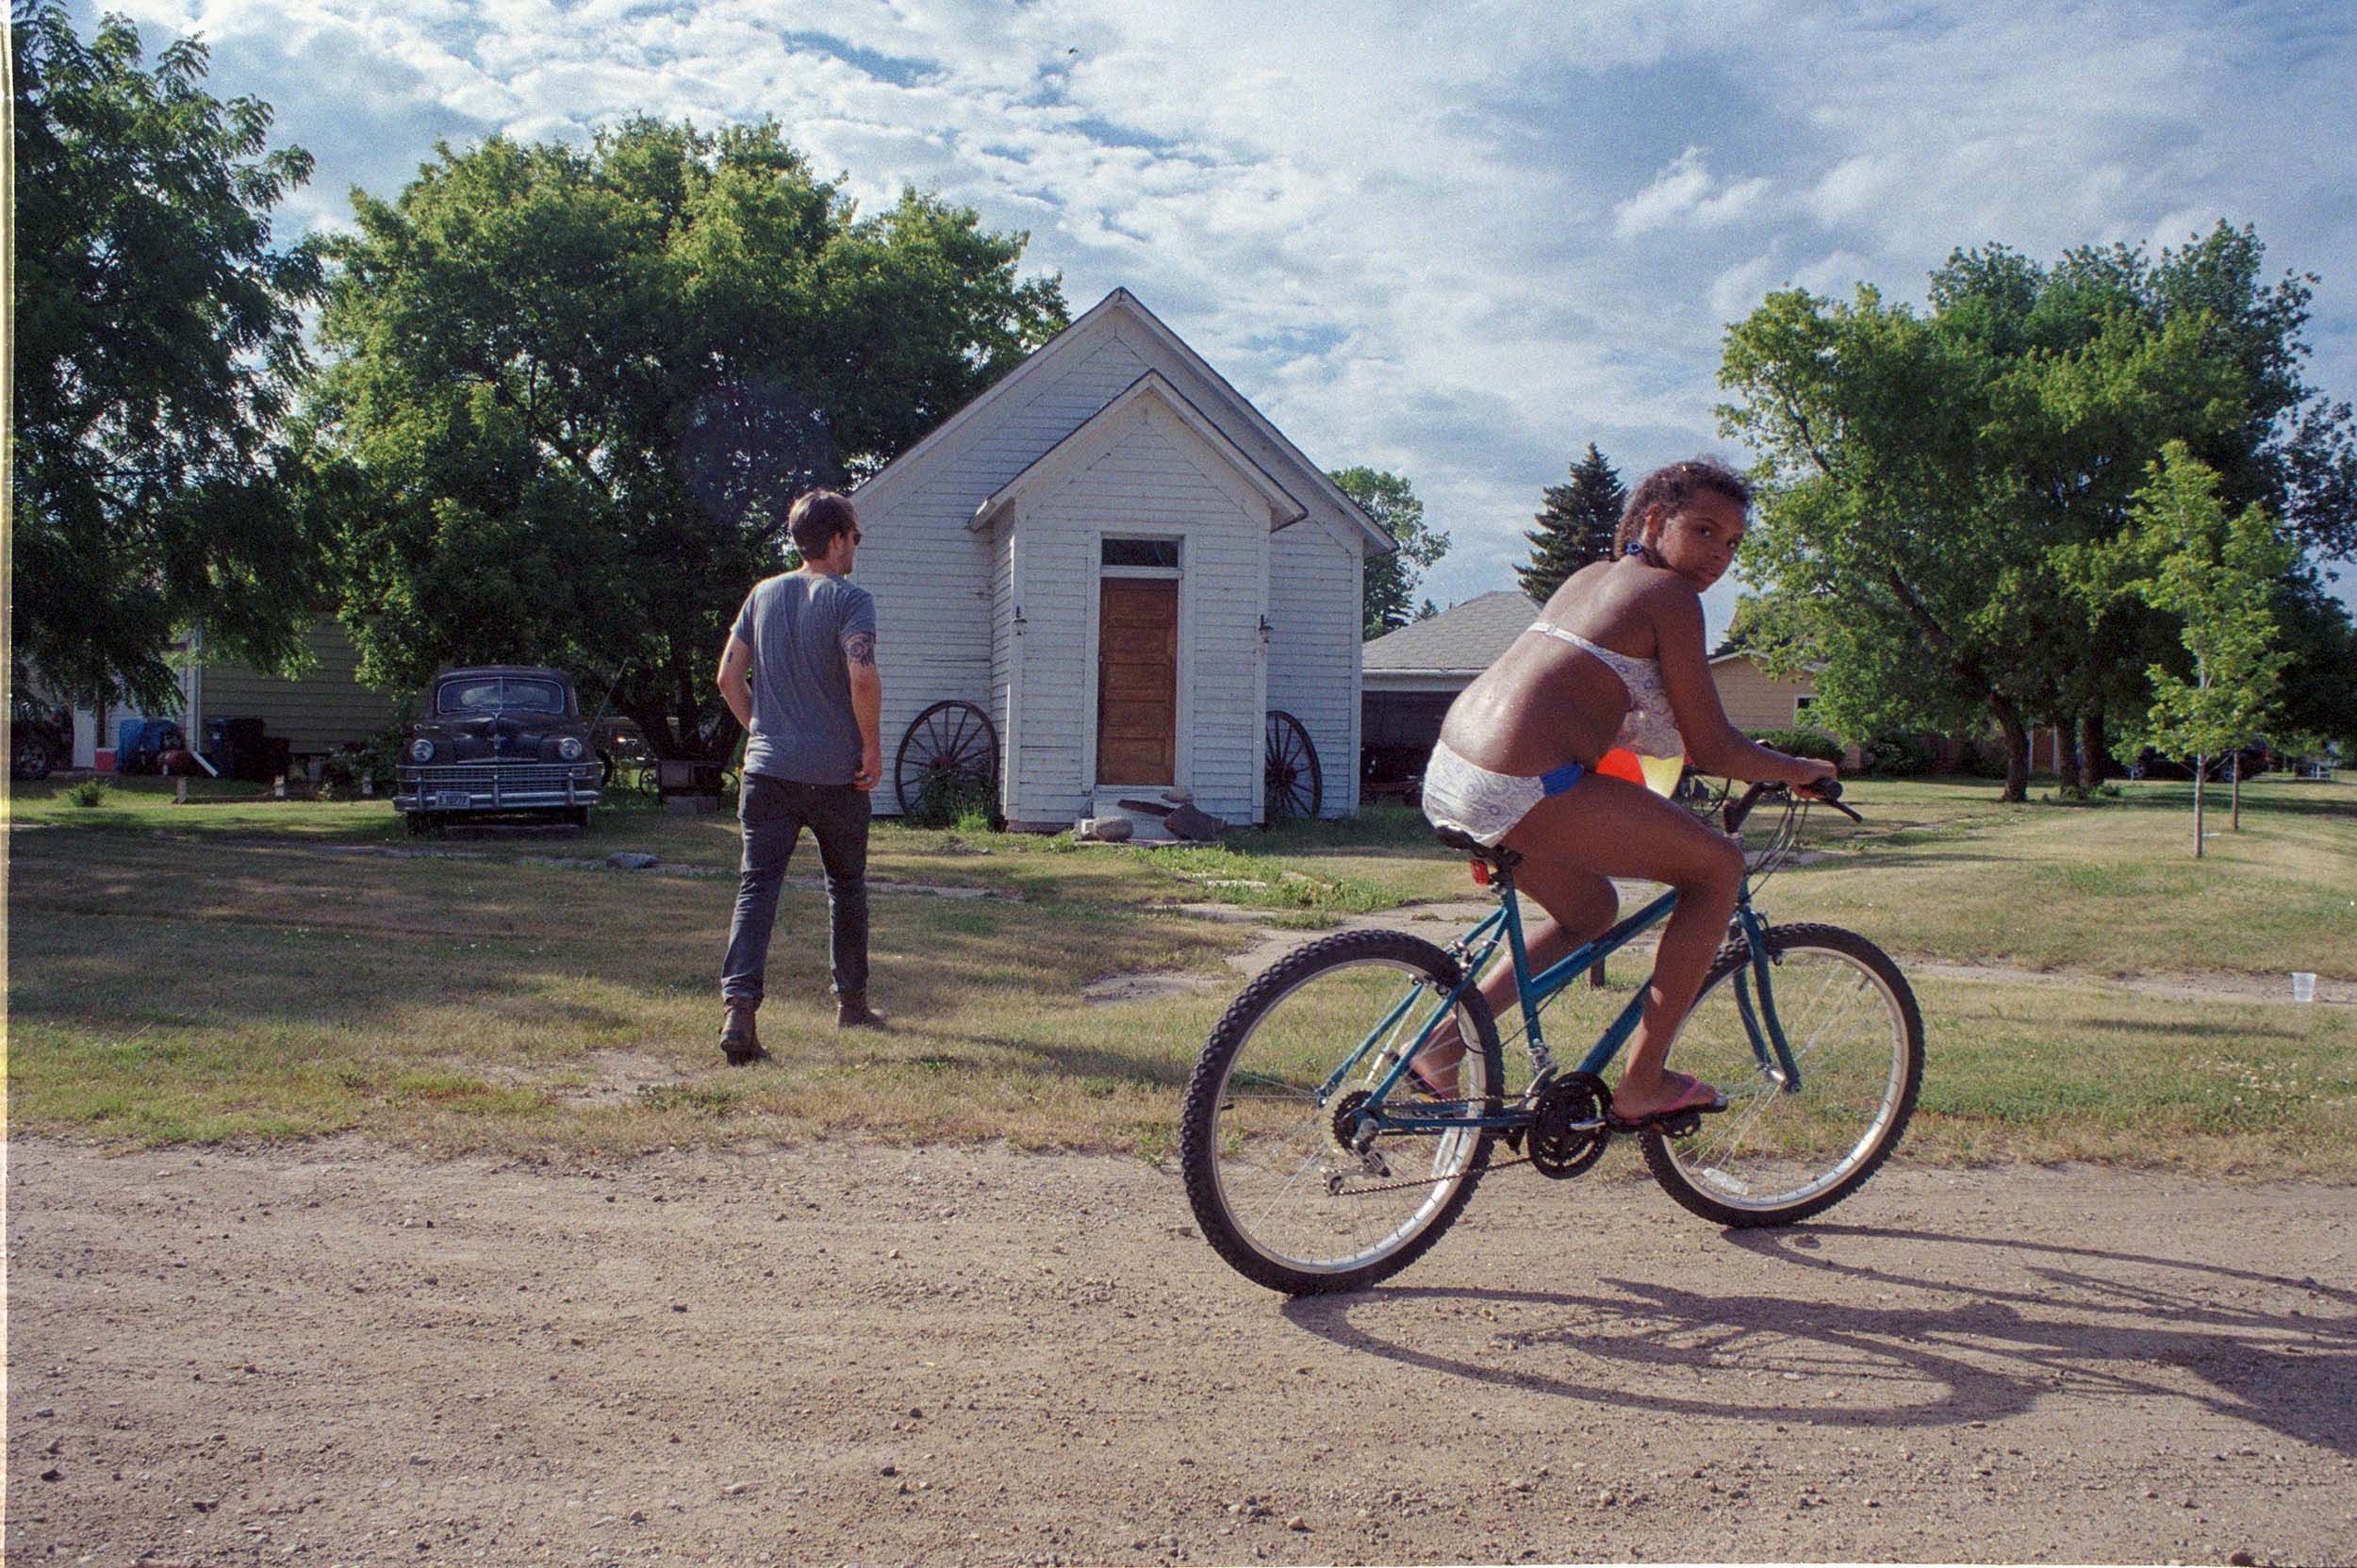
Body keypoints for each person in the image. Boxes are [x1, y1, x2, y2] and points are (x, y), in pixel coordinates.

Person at [1417, 456, 1836, 1126]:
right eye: (1703, 531)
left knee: (1590, 910)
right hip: (1520, 782)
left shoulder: (1593, 579)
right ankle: (1643, 1081)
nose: (1719, 556)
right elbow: (1714, 747)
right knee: (1719, 866)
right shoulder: (1671, 598)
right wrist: (1797, 768)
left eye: (1732, 543)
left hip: (1451, 772)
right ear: (1652, 520)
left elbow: (1603, 708)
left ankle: (1441, 1044)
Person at [715, 488, 886, 1066]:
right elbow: (861, 675)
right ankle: (852, 1004)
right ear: (837, 539)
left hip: (767, 773)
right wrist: (870, 747)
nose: (856, 548)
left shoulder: (762, 596)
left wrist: (759, 726)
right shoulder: (849, 598)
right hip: (836, 776)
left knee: (756, 889)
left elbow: (727, 678)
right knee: (846, 887)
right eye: (855, 537)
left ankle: (740, 1011)